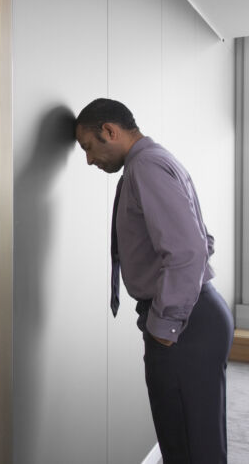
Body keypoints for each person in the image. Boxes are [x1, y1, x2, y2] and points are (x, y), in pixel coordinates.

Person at [74, 98, 233, 463]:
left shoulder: (146, 166)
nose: (89, 159)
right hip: (195, 314)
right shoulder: (157, 160)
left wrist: (164, 325)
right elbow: (201, 240)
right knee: (196, 438)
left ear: (109, 131)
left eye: (88, 146)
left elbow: (188, 250)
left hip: (184, 324)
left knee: (189, 445)